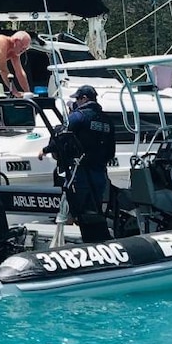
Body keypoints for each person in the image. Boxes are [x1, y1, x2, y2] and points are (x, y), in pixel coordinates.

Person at [40, 85, 115, 242]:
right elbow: (111, 151)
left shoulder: (79, 116)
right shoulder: (107, 120)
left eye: (77, 99)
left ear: (84, 99)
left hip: (79, 172)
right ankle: (96, 242)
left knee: (71, 209)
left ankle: (64, 243)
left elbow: (61, 136)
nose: (76, 102)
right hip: (100, 173)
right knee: (94, 211)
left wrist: (46, 150)